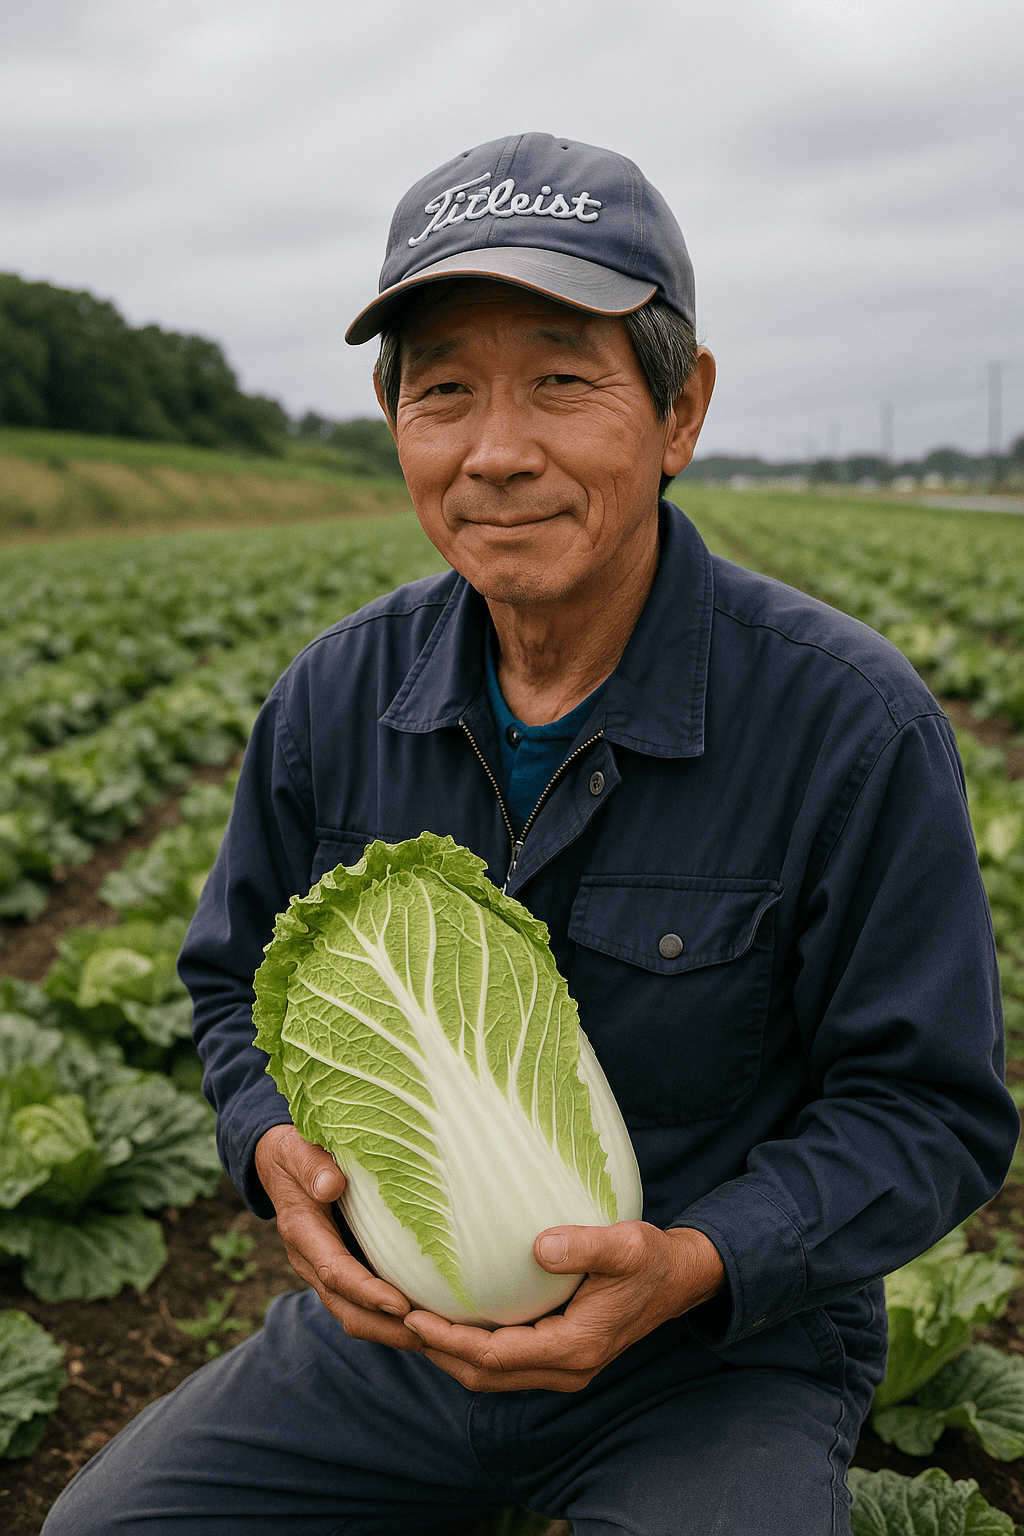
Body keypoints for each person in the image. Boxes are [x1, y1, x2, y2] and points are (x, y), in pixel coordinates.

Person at [44, 131, 1018, 1536]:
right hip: (398, 1338)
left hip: (717, 1357)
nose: (498, 452)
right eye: (444, 392)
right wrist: (270, 1147)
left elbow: (928, 1114)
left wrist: (691, 1262)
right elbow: (227, 985)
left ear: (680, 412)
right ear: (396, 427)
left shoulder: (851, 725)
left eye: (563, 381)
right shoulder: (335, 698)